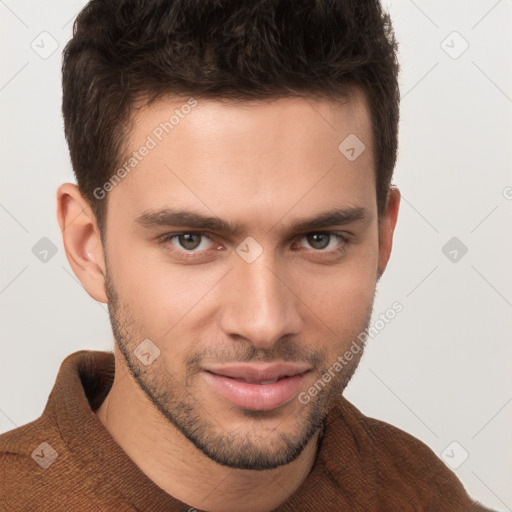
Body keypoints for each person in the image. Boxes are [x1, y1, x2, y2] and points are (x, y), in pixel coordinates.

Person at [0, 0, 496, 510]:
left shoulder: (429, 496)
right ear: (89, 247)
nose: (264, 323)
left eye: (320, 239)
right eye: (190, 240)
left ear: (383, 238)